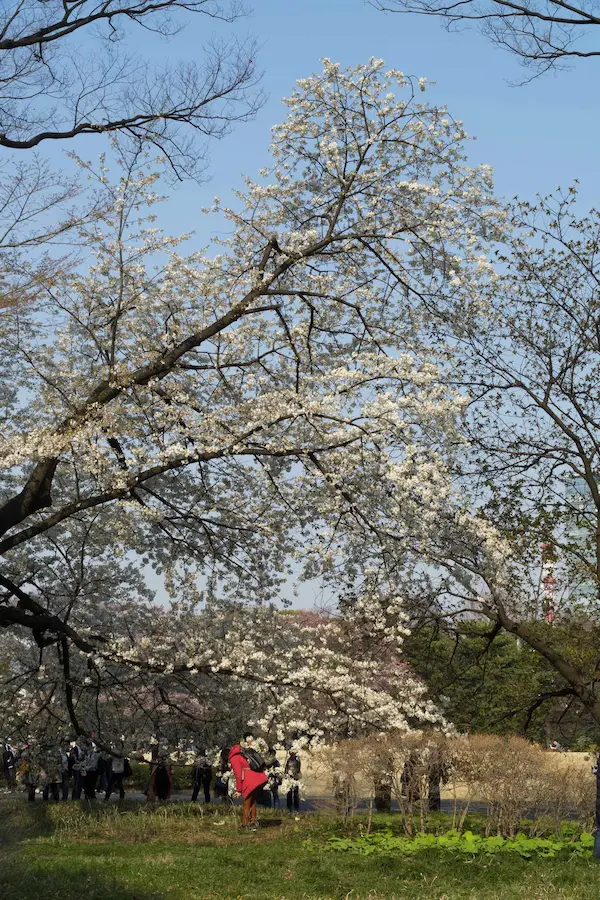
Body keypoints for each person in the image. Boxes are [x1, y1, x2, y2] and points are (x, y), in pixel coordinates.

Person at [228, 734, 268, 830]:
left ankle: (245, 824)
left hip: (249, 780)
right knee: (251, 801)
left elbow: (238, 775)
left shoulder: (234, 758)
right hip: (259, 777)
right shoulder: (243, 755)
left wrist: (238, 790)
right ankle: (253, 822)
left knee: (246, 802)